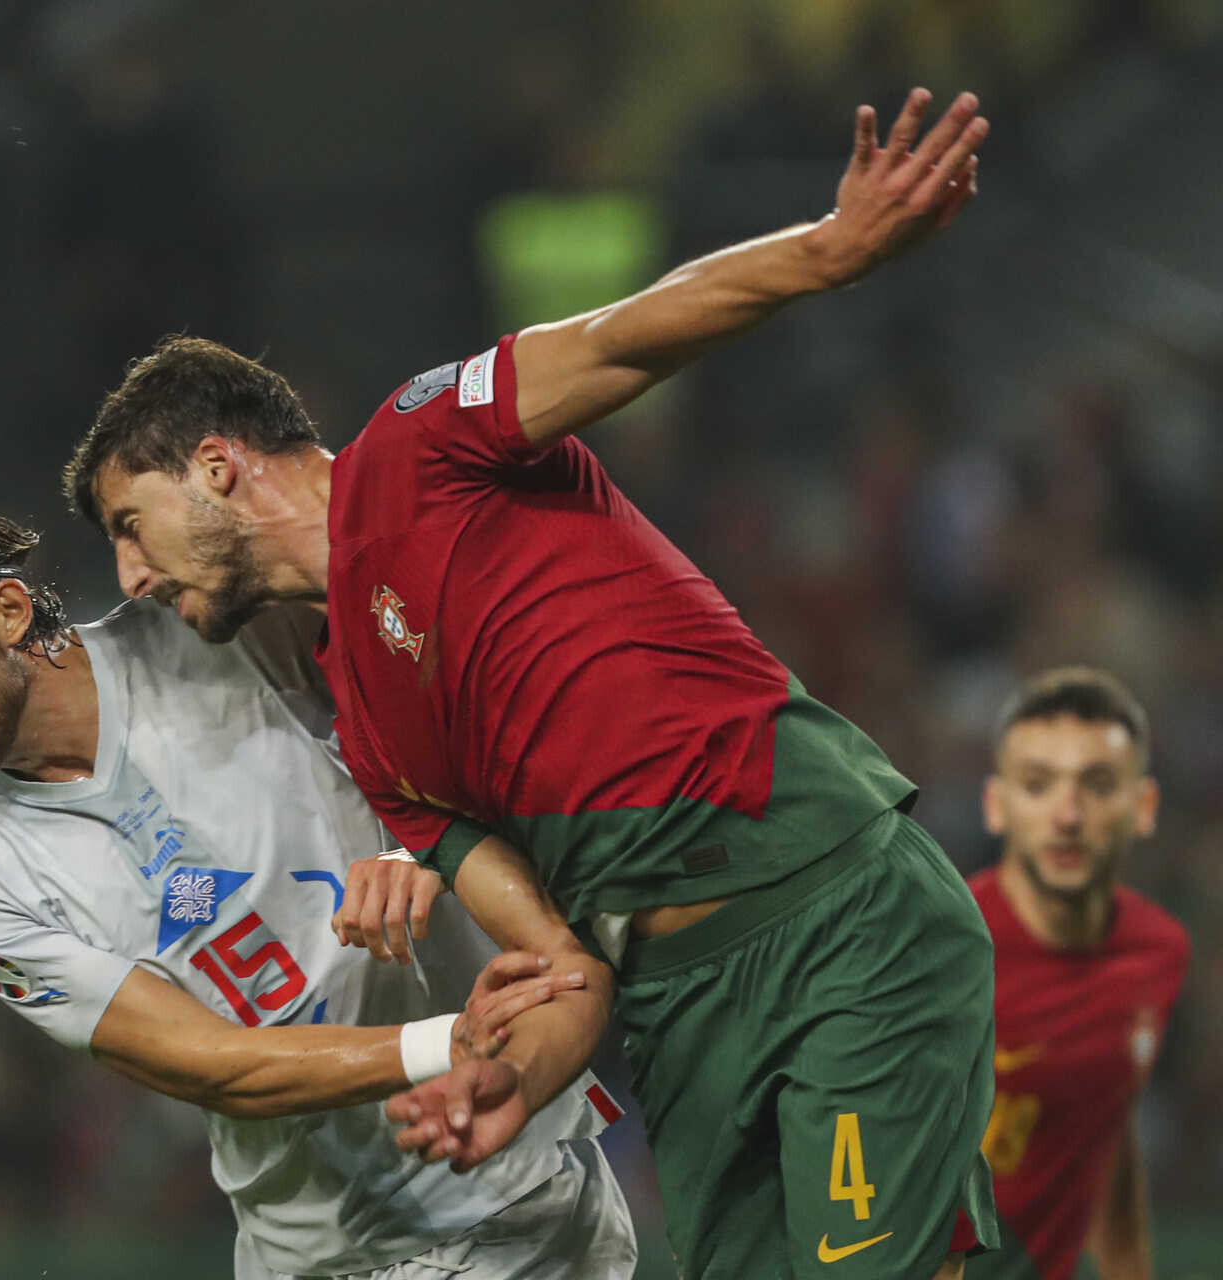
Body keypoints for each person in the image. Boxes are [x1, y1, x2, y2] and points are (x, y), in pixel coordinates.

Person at [64, 89, 998, 1280]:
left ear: (214, 464)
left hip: (832, 911)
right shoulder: (373, 730)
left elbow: (625, 337)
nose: (129, 574)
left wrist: (828, 252)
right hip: (677, 1011)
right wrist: (506, 1074)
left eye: (129, 524)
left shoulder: (418, 443)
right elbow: (561, 961)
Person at [0, 495, 638, 1280]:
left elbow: (467, 710)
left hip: (509, 1203)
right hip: (311, 1253)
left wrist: (431, 857)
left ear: (8, 613)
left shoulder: (213, 629)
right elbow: (210, 1067)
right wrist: (448, 1043)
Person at [966, 668, 1189, 1280]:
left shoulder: (1158, 952)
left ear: (1143, 806)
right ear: (997, 804)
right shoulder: (936, 951)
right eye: (1038, 785)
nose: (1068, 815)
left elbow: (1106, 1127)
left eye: (1097, 785)